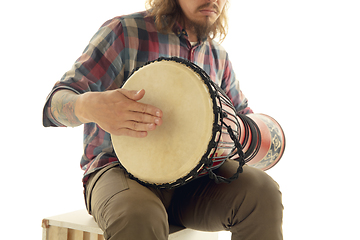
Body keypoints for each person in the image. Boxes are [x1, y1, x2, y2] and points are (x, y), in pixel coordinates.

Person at [42, 0, 283, 239]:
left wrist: (244, 134)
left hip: (197, 177)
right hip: (117, 170)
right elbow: (54, 105)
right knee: (139, 215)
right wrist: (90, 106)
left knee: (263, 194)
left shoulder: (217, 56)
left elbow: (248, 124)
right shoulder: (125, 32)